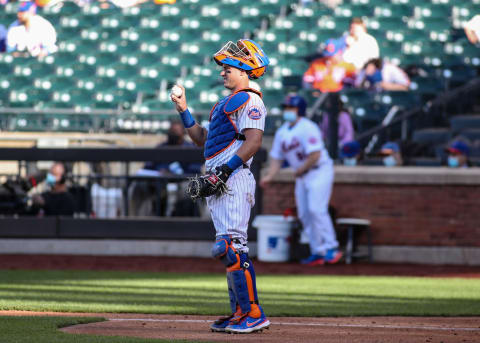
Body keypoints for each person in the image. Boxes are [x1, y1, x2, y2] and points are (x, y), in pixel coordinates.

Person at [170, 39, 270, 334]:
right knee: (227, 248)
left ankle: (253, 312)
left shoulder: (251, 99)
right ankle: (239, 312)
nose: (223, 73)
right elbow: (201, 138)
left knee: (232, 246)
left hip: (233, 177)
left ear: (243, 70)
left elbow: (254, 142)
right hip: (219, 180)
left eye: (228, 68)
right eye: (223, 69)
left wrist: (225, 171)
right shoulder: (224, 104)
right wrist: (183, 109)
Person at [260, 94, 342, 266]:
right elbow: (277, 158)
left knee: (316, 209)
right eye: (287, 108)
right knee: (304, 213)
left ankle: (331, 248)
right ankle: (317, 251)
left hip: (319, 171)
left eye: (291, 108)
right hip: (302, 175)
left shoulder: (308, 127)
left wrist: (300, 169)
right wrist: (269, 177)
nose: (287, 111)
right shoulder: (282, 131)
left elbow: (315, 155)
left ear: (300, 110)